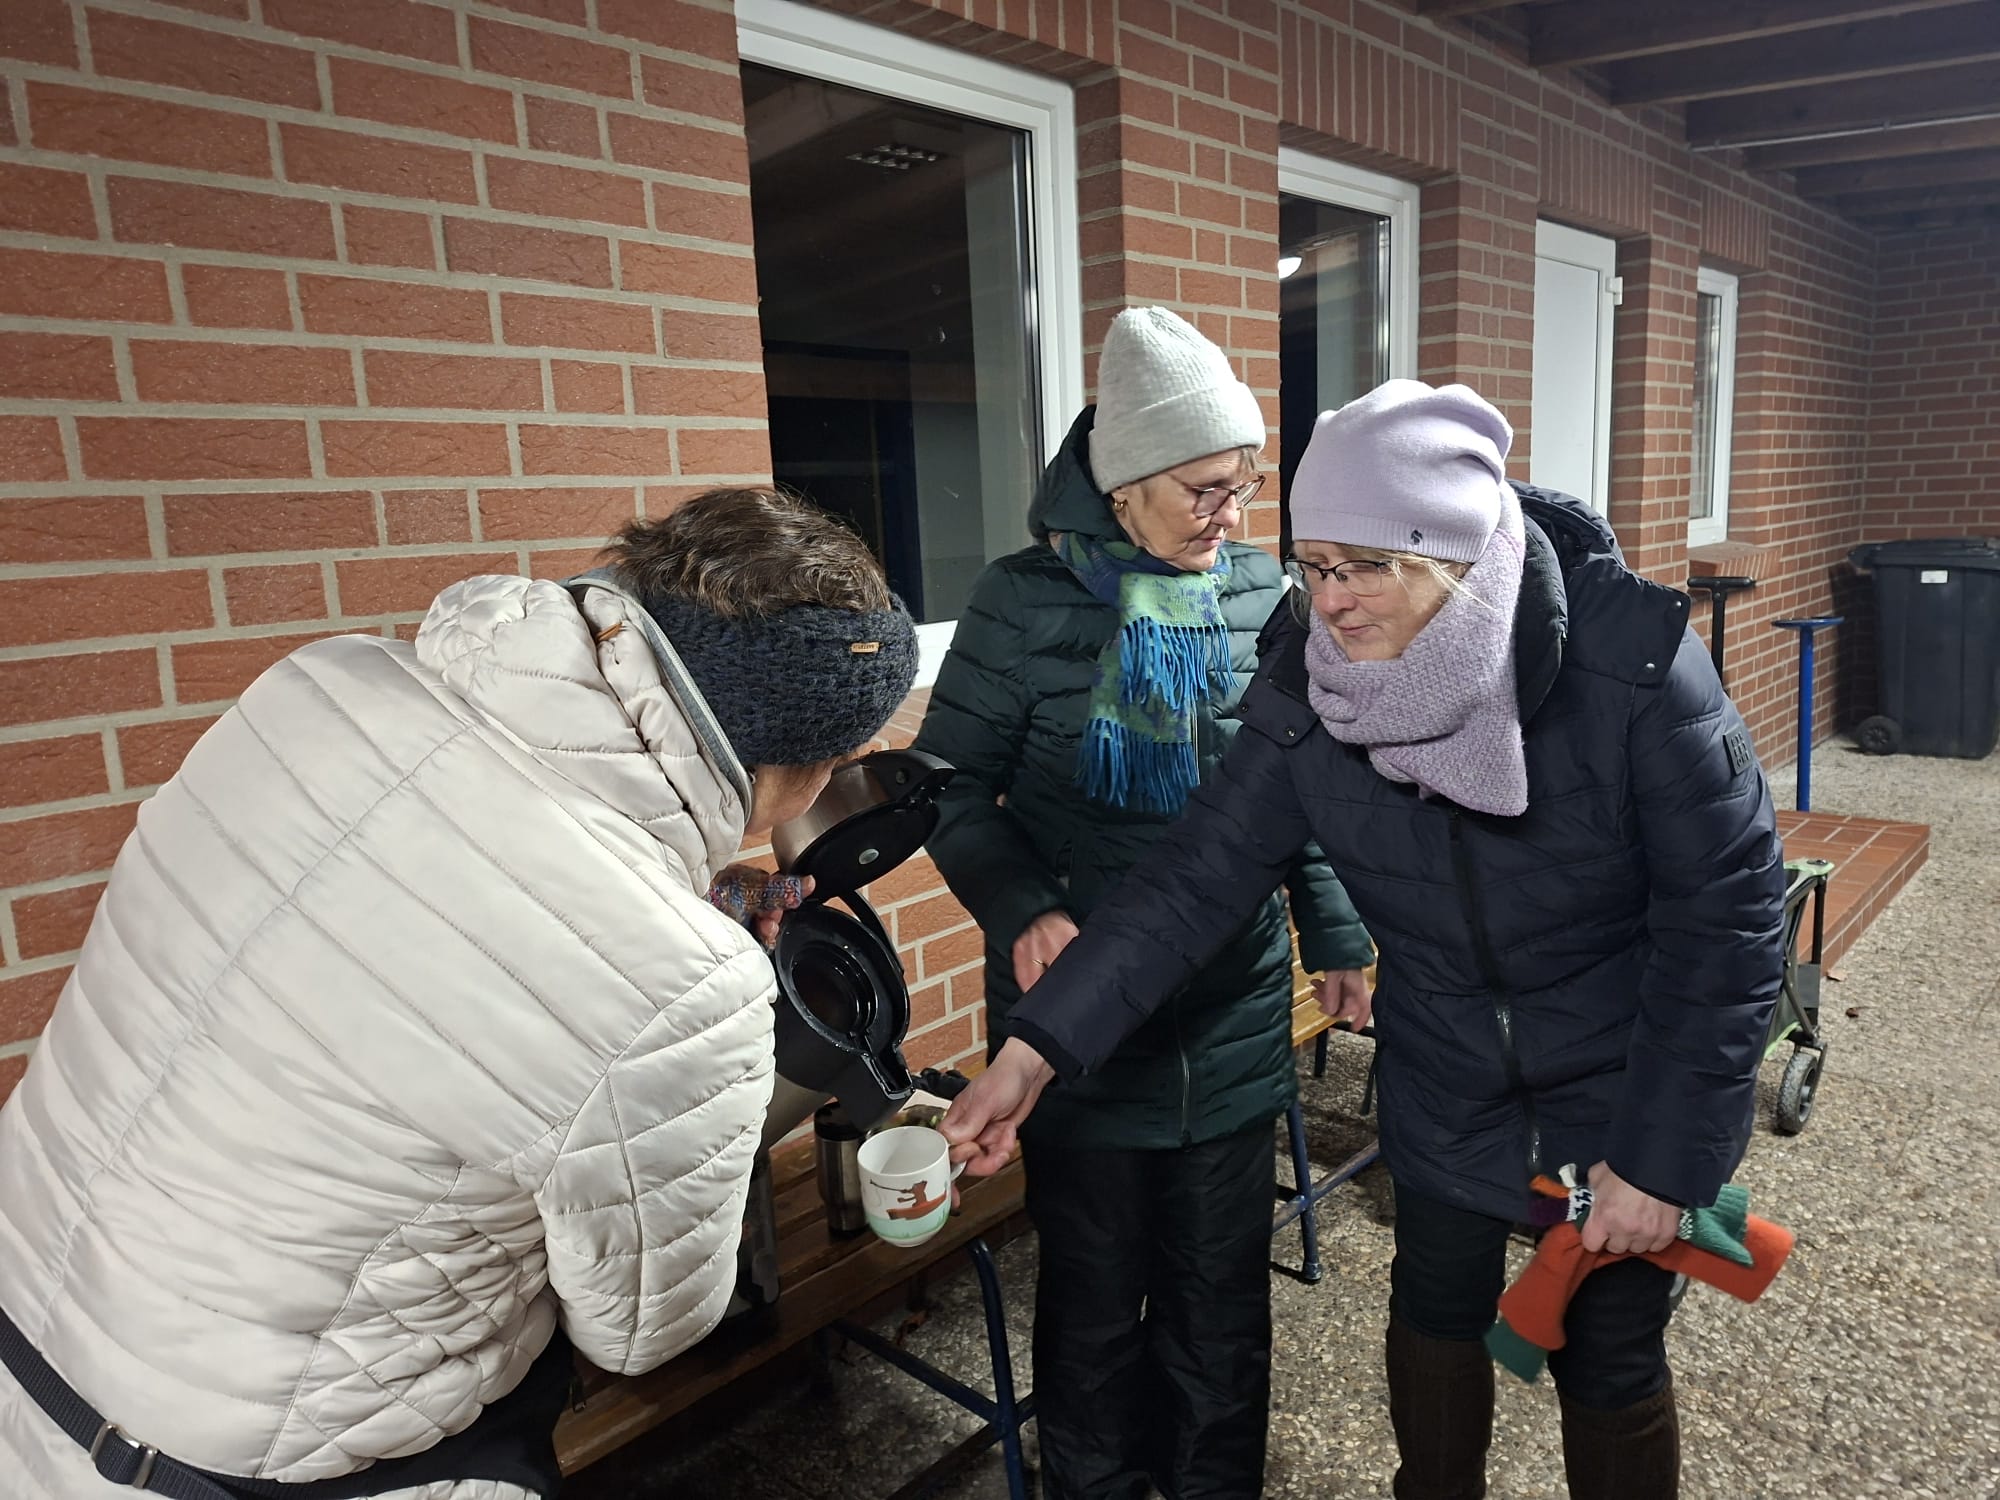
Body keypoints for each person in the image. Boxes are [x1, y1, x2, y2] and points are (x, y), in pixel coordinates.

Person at [942, 380, 1789, 1500]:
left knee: (1606, 1347)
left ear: (1449, 555)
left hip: (1618, 1074)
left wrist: (1663, 1161)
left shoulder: (1629, 669)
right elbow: (1190, 882)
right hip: (1444, 1065)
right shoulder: (1311, 678)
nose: (1329, 602)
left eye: (1363, 567)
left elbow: (1726, 929)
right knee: (1434, 1307)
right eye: (1314, 566)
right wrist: (1034, 1049)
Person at [0, 489, 917, 1500]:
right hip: (265, 1461)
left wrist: (665, 909)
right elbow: (641, 1331)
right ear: (796, 768)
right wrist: (681, 984)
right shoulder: (680, 991)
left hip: (32, 1330)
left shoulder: (319, 686)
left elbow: (392, 922)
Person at [912, 307, 1373, 1500]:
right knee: (1091, 1292)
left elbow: (1296, 781)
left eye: (1243, 485)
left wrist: (1333, 930)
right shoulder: (1019, 604)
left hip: (1228, 1003)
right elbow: (947, 786)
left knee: (1219, 1298)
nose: (1231, 516)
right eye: (1203, 489)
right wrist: (1021, 904)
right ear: (1122, 485)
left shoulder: (1261, 593)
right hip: (1073, 1014)